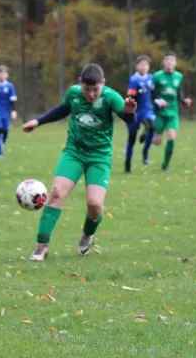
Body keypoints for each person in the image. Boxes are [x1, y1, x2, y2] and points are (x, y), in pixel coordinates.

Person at [22, 63, 137, 261]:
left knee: (94, 205)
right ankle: (41, 246)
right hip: (74, 152)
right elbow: (62, 110)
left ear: (103, 84)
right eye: (87, 89)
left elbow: (128, 120)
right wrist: (38, 121)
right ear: (80, 83)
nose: (91, 94)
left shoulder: (111, 97)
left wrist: (129, 112)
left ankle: (88, 235)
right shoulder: (74, 93)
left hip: (99, 156)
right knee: (56, 193)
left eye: (95, 90)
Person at [152, 51, 192, 171]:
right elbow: (151, 95)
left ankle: (165, 165)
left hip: (173, 113)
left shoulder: (178, 76)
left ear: (175, 63)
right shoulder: (156, 76)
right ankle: (149, 134)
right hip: (159, 113)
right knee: (157, 141)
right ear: (164, 62)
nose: (169, 62)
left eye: (172, 60)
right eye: (167, 59)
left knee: (171, 137)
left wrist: (184, 101)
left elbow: (178, 92)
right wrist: (159, 101)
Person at [125, 55, 155, 173]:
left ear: (148, 67)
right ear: (136, 66)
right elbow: (130, 97)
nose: (143, 67)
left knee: (152, 126)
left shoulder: (151, 78)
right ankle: (127, 162)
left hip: (147, 109)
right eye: (141, 64)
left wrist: (158, 101)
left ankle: (145, 152)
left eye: (146, 65)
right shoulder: (134, 80)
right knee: (132, 138)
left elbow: (154, 93)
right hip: (136, 111)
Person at [0, 65, 17, 158]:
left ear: (7, 75)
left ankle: (2, 142)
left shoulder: (10, 86)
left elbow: (12, 99)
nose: (2, 75)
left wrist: (13, 111)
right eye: (0, 73)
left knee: (5, 131)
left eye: (4, 73)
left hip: (6, 111)